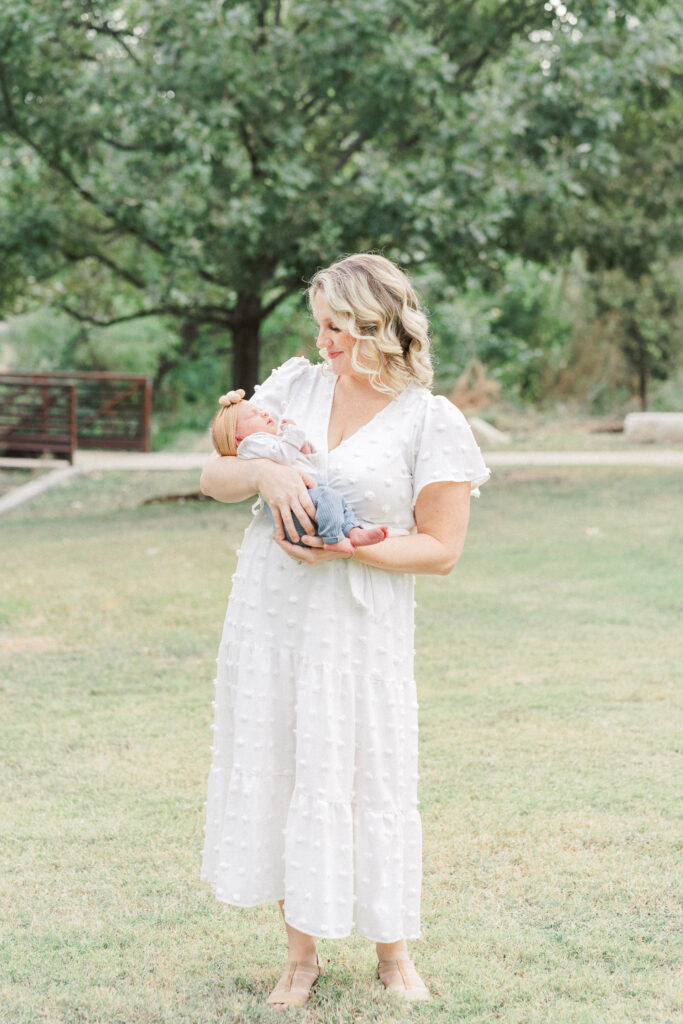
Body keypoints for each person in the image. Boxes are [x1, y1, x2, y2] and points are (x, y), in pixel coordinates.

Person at [199, 252, 491, 1008]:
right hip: (271, 619)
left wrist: (344, 546)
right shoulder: (293, 385)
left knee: (366, 774)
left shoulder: (430, 419)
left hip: (358, 630)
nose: (322, 339)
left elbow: (441, 548)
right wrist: (263, 475)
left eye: (336, 326)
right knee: (285, 767)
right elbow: (214, 475)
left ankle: (393, 956)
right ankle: (299, 958)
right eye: (318, 324)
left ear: (376, 327)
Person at [209, 389, 388, 554]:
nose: (263, 413)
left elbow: (307, 462)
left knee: (338, 502)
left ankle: (353, 531)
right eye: (253, 415)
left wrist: (304, 447)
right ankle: (333, 538)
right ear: (238, 438)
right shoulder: (253, 443)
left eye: (260, 409)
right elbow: (284, 455)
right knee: (330, 497)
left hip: (308, 494)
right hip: (298, 506)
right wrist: (293, 433)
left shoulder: (268, 443)